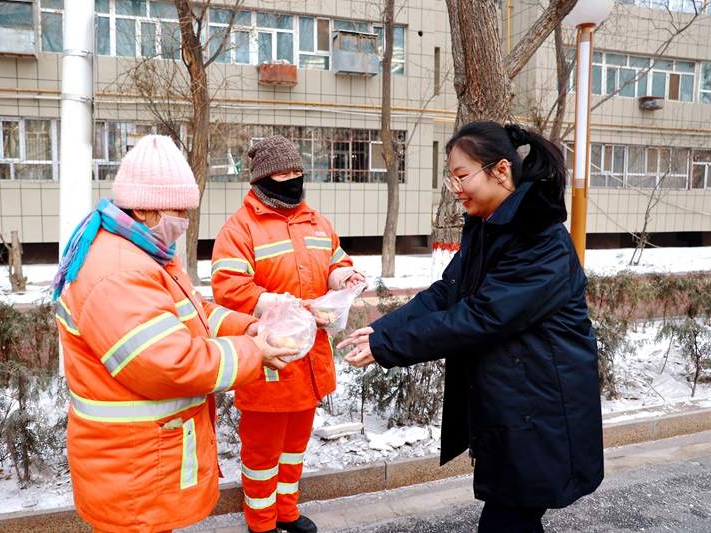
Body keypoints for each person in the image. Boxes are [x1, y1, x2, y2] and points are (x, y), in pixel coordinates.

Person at [338, 122, 604, 533]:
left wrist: (391, 346)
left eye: (462, 176)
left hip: (541, 407)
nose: (456, 188)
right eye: (451, 178)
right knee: (512, 511)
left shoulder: (540, 239)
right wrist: (383, 330)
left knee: (509, 516)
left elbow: (483, 316)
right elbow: (449, 292)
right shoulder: (489, 226)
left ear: (500, 171)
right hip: (514, 403)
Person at [51, 135, 297, 533]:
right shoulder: (120, 271)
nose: (183, 219)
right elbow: (168, 363)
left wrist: (251, 326)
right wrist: (253, 352)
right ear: (145, 207)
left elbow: (194, 315)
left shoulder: (143, 253)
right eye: (178, 209)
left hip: (142, 462)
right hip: (132, 470)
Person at [211, 135, 366, 533]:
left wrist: (344, 276)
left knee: (295, 448)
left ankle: (287, 512)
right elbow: (229, 288)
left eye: (298, 172)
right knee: (262, 452)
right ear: (263, 180)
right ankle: (261, 523)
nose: (294, 180)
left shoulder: (316, 221)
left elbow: (335, 260)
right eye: (284, 174)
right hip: (268, 361)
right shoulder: (239, 228)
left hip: (310, 361)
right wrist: (280, 306)